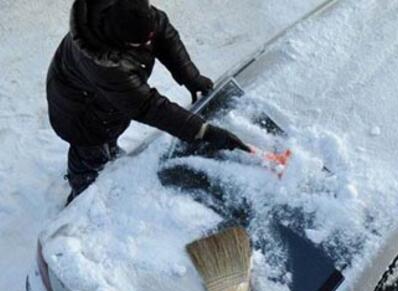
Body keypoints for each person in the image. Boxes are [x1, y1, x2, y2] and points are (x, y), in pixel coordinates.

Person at [46, 0, 251, 204]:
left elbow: (165, 35)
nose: (148, 45)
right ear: (121, 41)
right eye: (140, 44)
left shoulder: (130, 11)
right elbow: (148, 106)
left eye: (149, 38)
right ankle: (81, 197)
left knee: (109, 133)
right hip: (78, 110)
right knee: (90, 153)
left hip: (106, 103)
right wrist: (203, 131)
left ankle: (110, 154)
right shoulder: (107, 64)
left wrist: (190, 76)